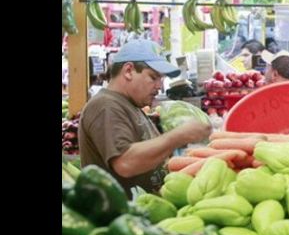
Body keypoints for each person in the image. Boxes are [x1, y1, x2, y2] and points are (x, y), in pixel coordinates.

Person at [78, 39, 211, 196]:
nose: (160, 86)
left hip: (145, 211)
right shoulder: (106, 106)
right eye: (153, 77)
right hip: (122, 216)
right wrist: (179, 136)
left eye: (161, 79)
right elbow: (125, 163)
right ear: (128, 71)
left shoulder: (129, 104)